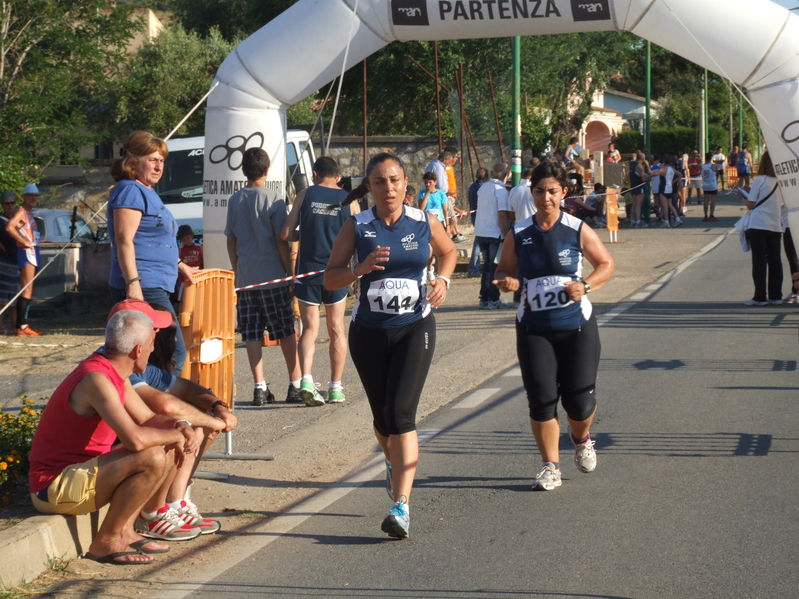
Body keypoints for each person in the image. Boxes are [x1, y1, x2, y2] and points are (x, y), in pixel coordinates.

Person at [324, 152, 456, 539]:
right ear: (370, 187)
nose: (389, 188)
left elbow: (448, 253)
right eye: (380, 182)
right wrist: (357, 271)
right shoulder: (357, 225)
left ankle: (401, 506)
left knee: (401, 414)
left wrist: (444, 281)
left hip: (414, 326)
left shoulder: (423, 221)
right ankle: (391, 461)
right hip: (368, 332)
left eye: (395, 180)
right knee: (383, 421)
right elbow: (330, 279)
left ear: (405, 183)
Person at [28, 308, 200, 565]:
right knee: (152, 454)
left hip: (80, 474)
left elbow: (147, 418)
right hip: (51, 486)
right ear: (138, 350)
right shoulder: (96, 379)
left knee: (161, 444)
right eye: (152, 344)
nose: (154, 351)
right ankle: (105, 542)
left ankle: (126, 532)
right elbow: (136, 440)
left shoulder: (116, 372)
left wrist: (181, 425)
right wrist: (174, 435)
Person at [492, 162, 615, 491]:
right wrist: (507, 282)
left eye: (552, 191)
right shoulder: (518, 233)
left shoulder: (576, 228)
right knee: (542, 399)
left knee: (579, 401)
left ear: (564, 193)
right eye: (539, 191)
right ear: (531, 193)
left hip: (577, 326)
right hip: (534, 328)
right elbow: (504, 272)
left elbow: (606, 264)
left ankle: (581, 437)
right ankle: (550, 466)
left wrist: (586, 286)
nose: (545, 197)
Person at [130, 302, 235, 533]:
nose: (161, 334)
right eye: (154, 328)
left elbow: (187, 388)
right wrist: (211, 420)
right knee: (181, 430)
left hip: (131, 439)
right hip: (108, 452)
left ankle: (175, 500)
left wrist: (218, 406)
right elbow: (164, 405)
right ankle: (152, 513)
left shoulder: (143, 365)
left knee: (194, 424)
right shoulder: (119, 366)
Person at [108, 131, 197, 373]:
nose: (159, 166)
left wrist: (180, 264)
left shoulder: (146, 191)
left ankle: (146, 405)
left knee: (158, 354)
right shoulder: (129, 191)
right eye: (152, 160)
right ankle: (154, 407)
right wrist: (133, 283)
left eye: (162, 160)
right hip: (143, 285)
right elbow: (124, 239)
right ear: (133, 162)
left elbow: (155, 239)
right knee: (172, 353)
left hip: (155, 283)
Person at [280, 156, 358, 407]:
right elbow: (360, 236)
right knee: (336, 329)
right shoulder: (350, 200)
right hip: (338, 271)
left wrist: (305, 231)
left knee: (310, 329)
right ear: (338, 177)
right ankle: (335, 388)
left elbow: (285, 233)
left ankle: (306, 380)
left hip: (308, 271)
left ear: (314, 174)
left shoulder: (304, 195)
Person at [226, 147, 301, 405]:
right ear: (267, 171)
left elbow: (231, 241)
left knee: (252, 333)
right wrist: (290, 274)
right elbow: (282, 240)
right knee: (285, 330)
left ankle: (259, 387)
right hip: (273, 275)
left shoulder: (234, 200)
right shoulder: (274, 199)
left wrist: (237, 270)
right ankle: (295, 383)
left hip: (247, 277)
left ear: (243, 171)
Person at [743, 151, 784, 306]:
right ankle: (776, 295)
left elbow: (751, 204)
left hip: (758, 223)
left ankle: (759, 296)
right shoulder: (782, 181)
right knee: (775, 260)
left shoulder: (760, 180)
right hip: (775, 223)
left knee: (759, 261)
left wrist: (743, 197)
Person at [4, 183, 41, 336]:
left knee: (29, 289)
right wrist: (23, 241)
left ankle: (22, 325)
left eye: (35, 195)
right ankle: (20, 326)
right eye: (30, 195)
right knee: (27, 288)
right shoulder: (21, 211)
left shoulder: (29, 212)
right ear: (24, 196)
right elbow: (10, 227)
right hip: (26, 252)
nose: (33, 198)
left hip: (33, 250)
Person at [474, 163, 512, 309]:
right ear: (506, 174)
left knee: (486, 267)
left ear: (491, 172)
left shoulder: (482, 187)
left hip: (481, 232)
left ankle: (484, 298)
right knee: (494, 268)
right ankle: (493, 299)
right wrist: (506, 235)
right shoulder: (500, 191)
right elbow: (502, 216)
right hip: (494, 233)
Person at [0, 191, 20, 332]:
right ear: (2, 205)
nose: (10, 206)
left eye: (12, 203)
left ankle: (15, 326)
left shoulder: (18, 218)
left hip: (17, 260)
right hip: (3, 261)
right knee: (1, 297)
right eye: (7, 203)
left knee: (15, 297)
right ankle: (1, 327)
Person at [466, 168, 489, 277]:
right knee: (478, 244)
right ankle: (474, 269)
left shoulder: (472, 186)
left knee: (480, 243)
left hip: (475, 217)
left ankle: (479, 267)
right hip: (481, 217)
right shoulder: (482, 188)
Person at [628, 152, 649, 228]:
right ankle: (638, 221)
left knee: (634, 204)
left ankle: (633, 220)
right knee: (638, 205)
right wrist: (647, 177)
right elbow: (643, 178)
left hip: (633, 186)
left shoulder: (632, 164)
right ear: (643, 159)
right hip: (639, 186)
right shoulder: (640, 166)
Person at [701, 152, 720, 222]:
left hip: (705, 184)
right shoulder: (714, 166)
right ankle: (711, 215)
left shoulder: (702, 166)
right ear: (711, 158)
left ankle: (705, 215)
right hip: (712, 185)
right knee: (713, 200)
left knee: (706, 199)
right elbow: (717, 174)